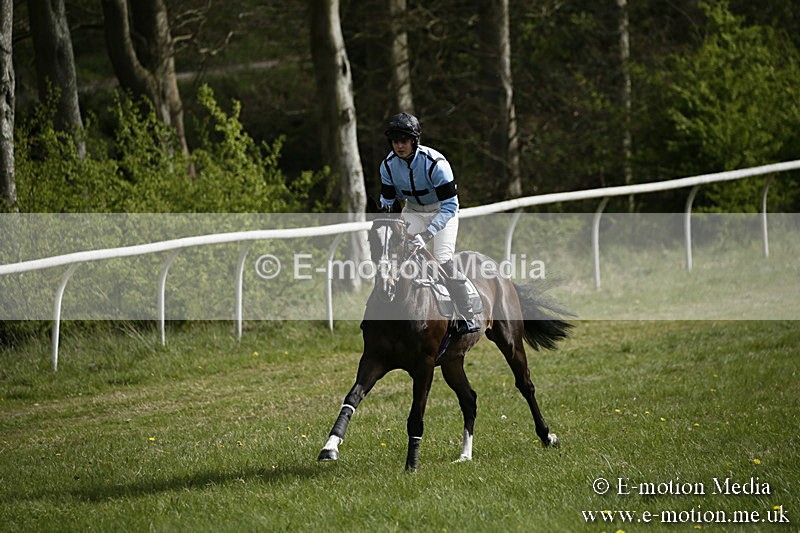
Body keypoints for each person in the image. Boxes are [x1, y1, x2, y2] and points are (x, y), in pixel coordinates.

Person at [379, 112, 479, 333]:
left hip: (442, 211)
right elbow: (388, 200)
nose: (399, 146)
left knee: (442, 258)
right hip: (413, 211)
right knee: (396, 257)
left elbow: (450, 207)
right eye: (395, 141)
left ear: (414, 141)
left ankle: (466, 314)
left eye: (404, 141)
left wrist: (427, 234)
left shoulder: (436, 164)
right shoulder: (387, 166)